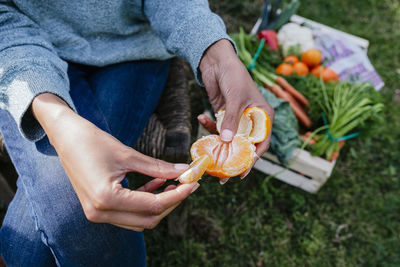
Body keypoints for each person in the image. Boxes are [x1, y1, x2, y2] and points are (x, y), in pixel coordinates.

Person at [0, 0, 274, 266]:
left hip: (133, 51)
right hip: (22, 55)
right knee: (68, 202)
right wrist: (56, 118)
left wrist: (216, 52)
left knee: (33, 246)